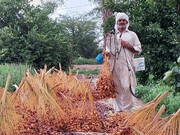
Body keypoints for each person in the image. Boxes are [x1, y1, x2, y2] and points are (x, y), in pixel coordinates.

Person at [105, 12, 142, 112]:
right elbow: (107, 48)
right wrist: (106, 53)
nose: (122, 22)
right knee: (115, 88)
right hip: (113, 66)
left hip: (127, 65)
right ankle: (118, 111)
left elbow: (138, 49)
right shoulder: (111, 35)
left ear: (127, 22)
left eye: (124, 20)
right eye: (120, 20)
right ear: (117, 22)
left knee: (127, 87)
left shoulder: (132, 35)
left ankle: (126, 110)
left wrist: (127, 45)